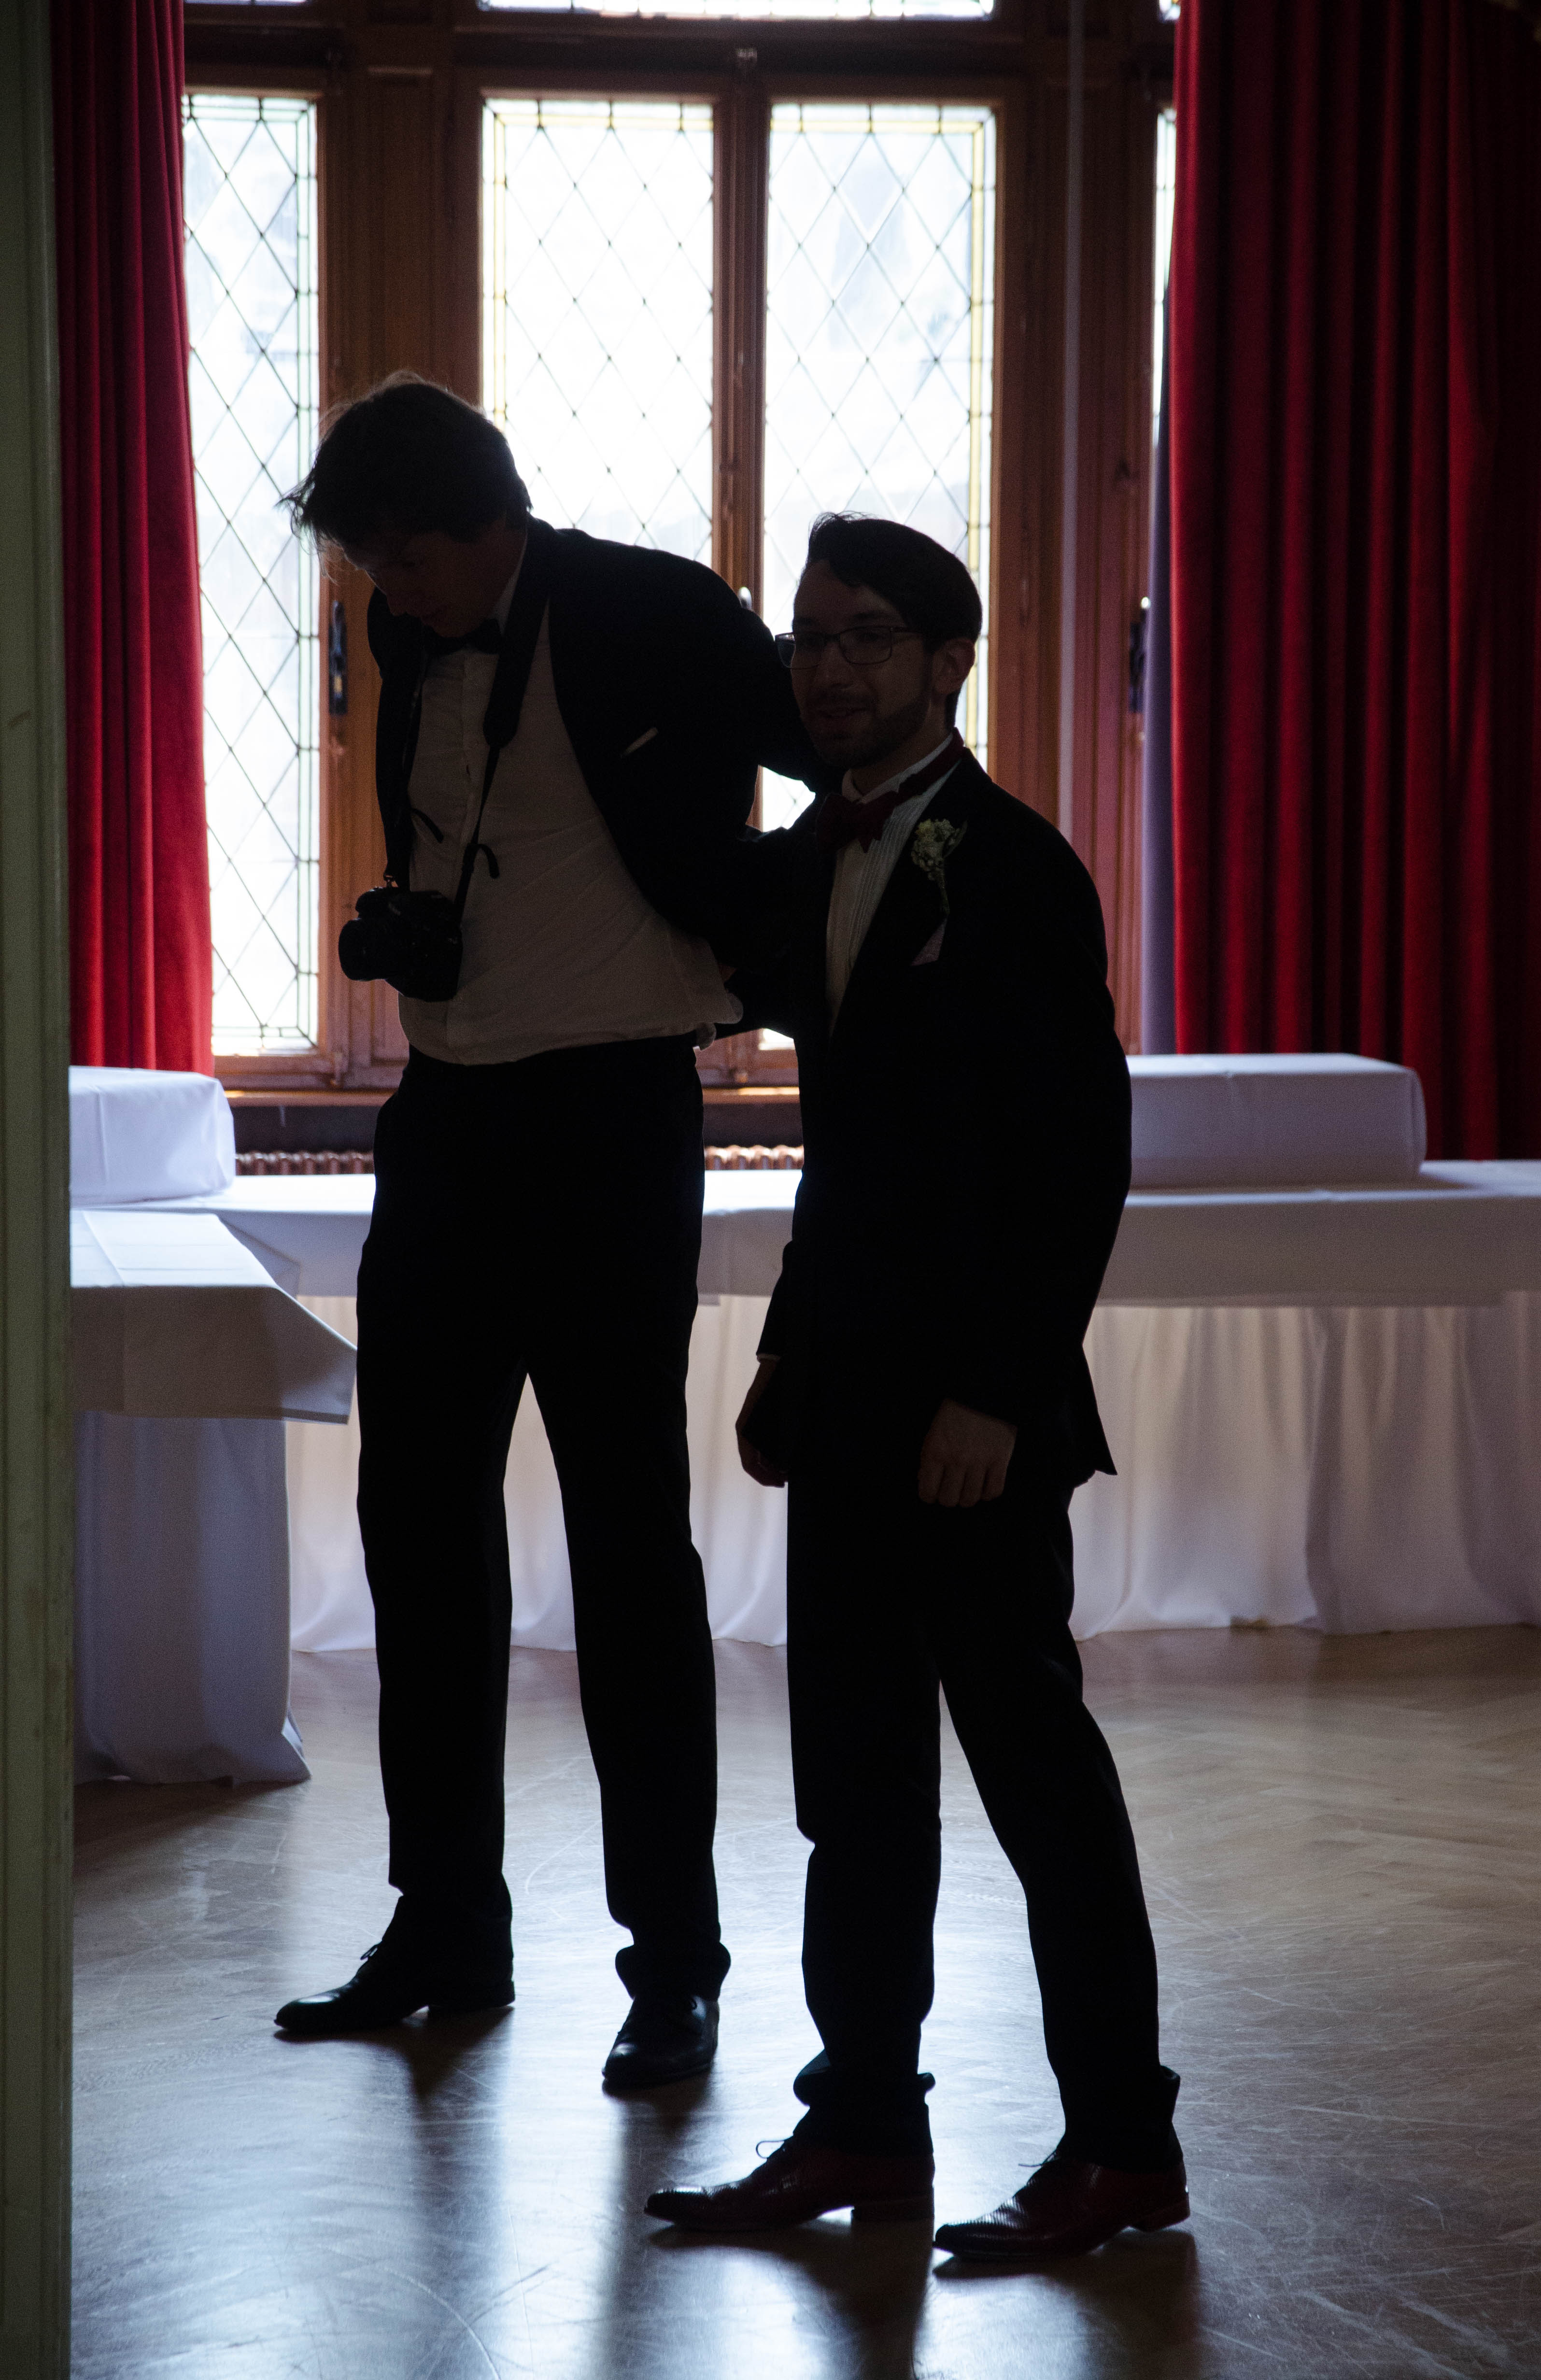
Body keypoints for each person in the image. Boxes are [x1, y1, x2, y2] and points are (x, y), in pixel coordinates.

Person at [645, 514, 1187, 2255]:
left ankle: (1124, 2144)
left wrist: (1000, 1393)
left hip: (976, 1416)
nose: (830, 669)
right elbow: (856, 1151)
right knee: (855, 1784)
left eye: (867, 636)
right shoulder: (817, 854)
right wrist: (792, 1347)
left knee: (1037, 1778)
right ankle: (865, 2124)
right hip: (849, 1394)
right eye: (810, 641)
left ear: (951, 658)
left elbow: (1073, 1157)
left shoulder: (1015, 866)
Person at [273, 376, 822, 2090]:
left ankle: (675, 1965)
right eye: (373, 565)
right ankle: (447, 1923)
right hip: (447, 1118)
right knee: (419, 1533)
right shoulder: (409, 624)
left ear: (486, 521)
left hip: (611, 1115)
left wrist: (758, 940)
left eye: (407, 559)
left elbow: (842, 761)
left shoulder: (654, 608)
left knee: (629, 1550)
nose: (390, 592)